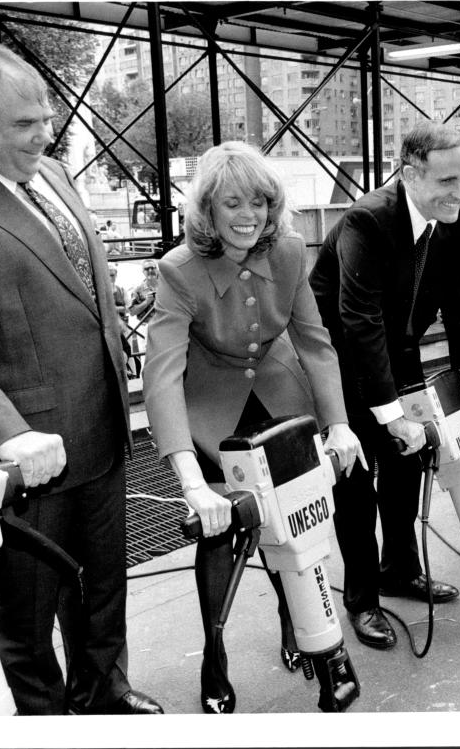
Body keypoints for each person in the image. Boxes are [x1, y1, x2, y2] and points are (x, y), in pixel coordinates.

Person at [0, 42, 162, 715]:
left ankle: (104, 693)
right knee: (26, 614)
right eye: (24, 124)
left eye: (49, 117)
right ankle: (44, 718)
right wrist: (9, 434)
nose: (46, 134)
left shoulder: (55, 175)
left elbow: (74, 287)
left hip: (100, 429)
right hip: (29, 456)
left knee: (105, 587)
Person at [142, 141, 365, 713]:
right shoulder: (179, 270)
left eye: (261, 204)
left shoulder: (290, 250)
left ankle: (300, 622)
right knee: (223, 530)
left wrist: (338, 425)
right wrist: (189, 477)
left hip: (278, 393)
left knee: (295, 518)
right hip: (214, 407)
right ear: (208, 211)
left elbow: (315, 342)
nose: (249, 217)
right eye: (233, 204)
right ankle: (214, 657)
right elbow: (162, 374)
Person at [310, 122, 460, 650]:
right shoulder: (367, 221)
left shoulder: (458, 217)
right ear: (410, 174)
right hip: (343, 359)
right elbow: (358, 321)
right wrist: (391, 415)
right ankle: (362, 599)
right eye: (447, 181)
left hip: (401, 351)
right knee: (357, 483)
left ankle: (400, 570)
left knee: (406, 470)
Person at [127, 258, 158, 377]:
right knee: (147, 356)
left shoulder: (166, 284)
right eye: (147, 269)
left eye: (152, 268)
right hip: (146, 326)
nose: (150, 270)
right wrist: (146, 302)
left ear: (157, 269)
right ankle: (145, 382)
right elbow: (132, 311)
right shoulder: (138, 289)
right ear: (143, 272)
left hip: (165, 325)